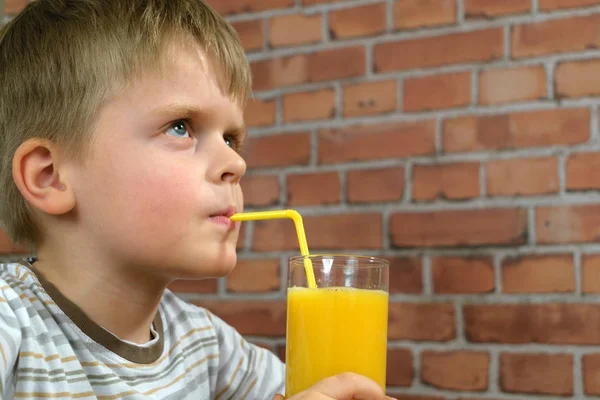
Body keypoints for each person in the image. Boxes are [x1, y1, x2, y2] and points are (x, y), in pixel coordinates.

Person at [0, 1, 393, 399]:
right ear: (50, 177)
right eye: (180, 127)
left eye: (230, 138)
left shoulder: (208, 345)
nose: (235, 162)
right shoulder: (10, 328)